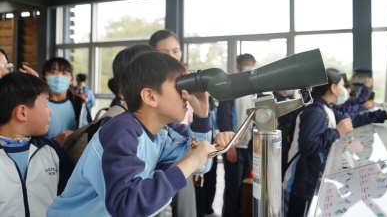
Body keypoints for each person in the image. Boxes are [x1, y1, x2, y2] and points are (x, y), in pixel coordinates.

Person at [47, 51, 234, 216]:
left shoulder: (161, 134)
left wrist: (201, 114)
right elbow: (126, 204)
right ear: (150, 96)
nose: (186, 94)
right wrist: (191, 161)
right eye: (179, 87)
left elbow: (201, 164)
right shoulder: (120, 130)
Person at [283, 68, 387, 217]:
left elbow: (355, 119)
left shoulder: (327, 109)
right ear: (333, 88)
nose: (345, 90)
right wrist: (337, 132)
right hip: (302, 183)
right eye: (342, 85)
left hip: (310, 180)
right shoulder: (315, 112)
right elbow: (309, 146)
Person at [0, 73, 73, 216]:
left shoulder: (52, 150)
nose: (51, 112)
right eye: (46, 103)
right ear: (22, 112)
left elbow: (70, 198)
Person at [150, 29, 198, 217]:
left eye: (176, 51)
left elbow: (194, 120)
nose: (172, 56)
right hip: (158, 156)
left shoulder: (190, 82)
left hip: (185, 154)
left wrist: (197, 156)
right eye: (165, 53)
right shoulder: (151, 83)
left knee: (186, 209)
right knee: (156, 206)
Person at [217, 53, 256, 217]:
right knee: (233, 186)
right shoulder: (230, 88)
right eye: (247, 64)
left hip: (248, 146)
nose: (250, 67)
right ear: (238, 67)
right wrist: (229, 146)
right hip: (233, 146)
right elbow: (223, 118)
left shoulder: (253, 89)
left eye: (252, 64)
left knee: (245, 185)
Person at [42, 57, 92, 141]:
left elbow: (89, 134)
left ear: (71, 79)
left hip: (74, 153)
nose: (58, 77)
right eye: (52, 72)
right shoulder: (38, 105)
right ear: (44, 78)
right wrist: (56, 141)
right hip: (45, 153)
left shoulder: (79, 104)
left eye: (64, 73)